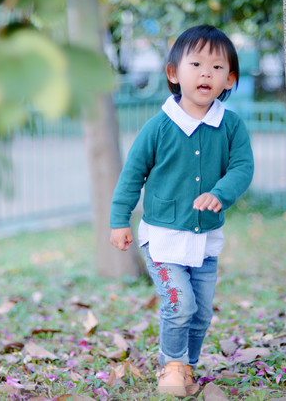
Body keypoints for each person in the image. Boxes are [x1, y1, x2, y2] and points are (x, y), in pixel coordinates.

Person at [109, 25, 254, 396]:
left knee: (202, 312)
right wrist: (119, 221)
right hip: (162, 238)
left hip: (205, 238)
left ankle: (188, 366)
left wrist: (220, 192)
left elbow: (242, 167)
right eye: (196, 64)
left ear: (229, 79)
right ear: (174, 73)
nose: (206, 73)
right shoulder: (158, 127)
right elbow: (131, 175)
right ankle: (170, 365)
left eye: (217, 67)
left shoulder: (231, 125)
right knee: (180, 304)